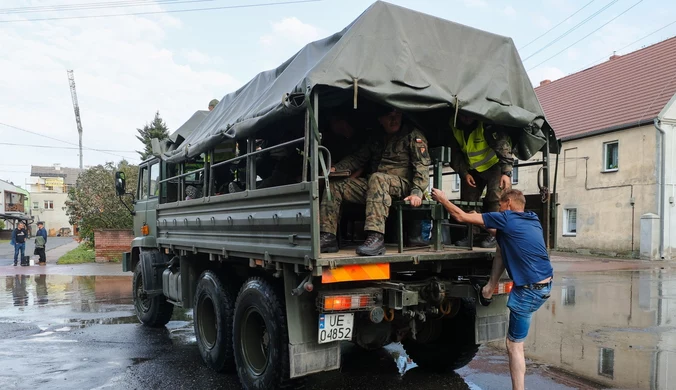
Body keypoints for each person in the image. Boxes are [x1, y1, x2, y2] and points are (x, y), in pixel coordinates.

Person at [431, 188, 553, 390]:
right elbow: (502, 233)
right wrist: (479, 220)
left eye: (500, 205)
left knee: (514, 346)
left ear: (509, 204)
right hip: (545, 284)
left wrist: (443, 199)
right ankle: (489, 288)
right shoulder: (532, 218)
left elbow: (459, 216)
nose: (499, 208)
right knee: (502, 245)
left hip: (529, 290)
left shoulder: (506, 218)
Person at [319, 107, 431, 256]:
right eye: (389, 116)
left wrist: (416, 192)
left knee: (377, 178)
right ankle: (328, 236)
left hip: (403, 185)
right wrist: (334, 169)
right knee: (335, 185)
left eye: (397, 114)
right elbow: (358, 158)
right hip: (376, 184)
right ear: (380, 119)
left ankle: (376, 237)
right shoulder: (376, 137)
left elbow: (422, 167)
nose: (394, 119)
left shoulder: (412, 135)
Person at [449, 112, 514, 248]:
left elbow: (504, 148)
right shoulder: (454, 126)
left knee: (495, 197)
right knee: (468, 200)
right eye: (463, 114)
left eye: (469, 114)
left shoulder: (486, 125)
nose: (467, 117)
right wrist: (464, 173)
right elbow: (455, 154)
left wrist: (506, 173)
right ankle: (473, 235)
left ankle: (495, 234)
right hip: (472, 169)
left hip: (494, 165)